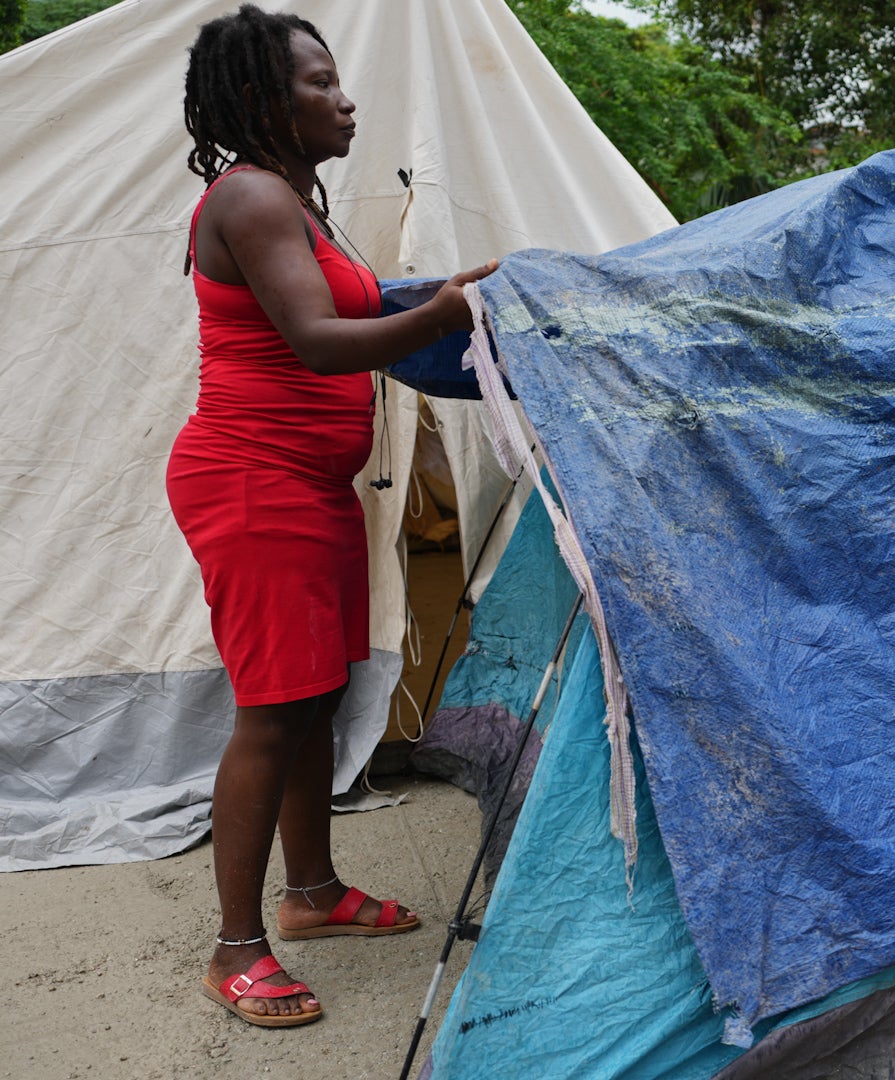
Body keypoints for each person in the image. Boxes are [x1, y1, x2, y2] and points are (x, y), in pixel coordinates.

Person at [171, 5, 496, 1027]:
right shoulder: (256, 196)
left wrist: (438, 297)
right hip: (251, 482)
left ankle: (310, 892)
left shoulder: (296, 201)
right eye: (318, 82)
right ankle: (235, 947)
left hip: (304, 487)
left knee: (314, 696)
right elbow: (317, 340)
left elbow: (353, 308)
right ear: (263, 98)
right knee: (272, 712)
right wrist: (443, 318)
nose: (343, 97)